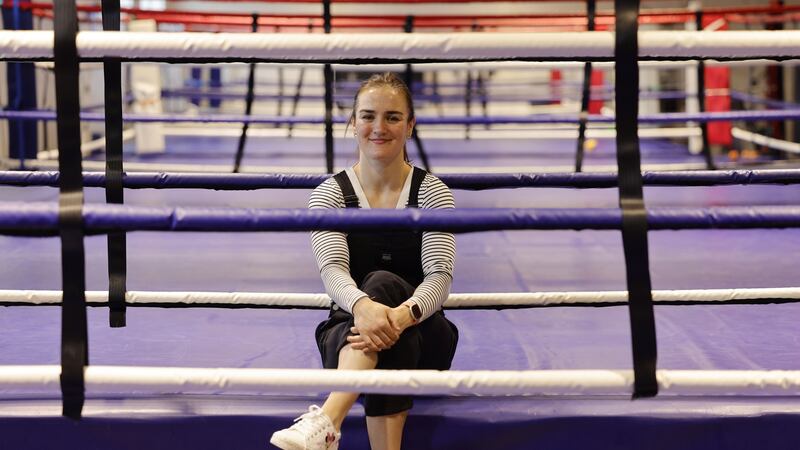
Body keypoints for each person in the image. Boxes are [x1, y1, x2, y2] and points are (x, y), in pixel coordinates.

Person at [270, 72, 458, 450]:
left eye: (392, 117)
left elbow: (440, 276)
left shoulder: (433, 192)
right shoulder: (330, 194)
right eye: (368, 116)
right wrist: (365, 309)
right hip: (350, 335)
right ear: (353, 123)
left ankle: (327, 420)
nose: (379, 127)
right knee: (385, 332)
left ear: (410, 125)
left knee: (385, 286)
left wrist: (400, 316)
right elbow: (333, 270)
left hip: (425, 334)